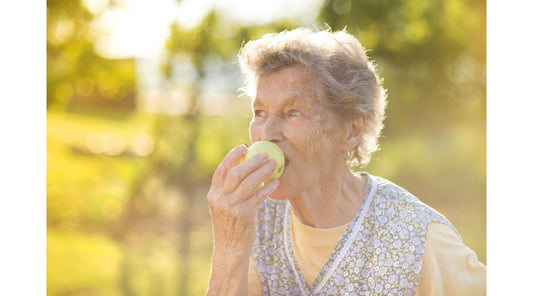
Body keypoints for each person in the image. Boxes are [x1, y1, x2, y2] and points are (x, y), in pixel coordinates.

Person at [205, 27, 486, 295]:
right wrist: (230, 248)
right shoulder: (254, 220)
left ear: (351, 131)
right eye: (260, 112)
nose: (266, 134)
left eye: (293, 112)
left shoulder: (418, 238)